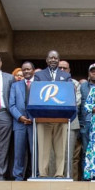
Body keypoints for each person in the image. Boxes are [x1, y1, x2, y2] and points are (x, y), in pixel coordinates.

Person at [33, 50, 72, 178]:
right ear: (46, 60)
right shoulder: (39, 75)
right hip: (43, 118)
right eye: (51, 58)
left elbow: (69, 95)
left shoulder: (65, 76)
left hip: (61, 118)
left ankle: (59, 173)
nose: (53, 60)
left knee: (60, 149)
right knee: (43, 149)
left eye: (56, 58)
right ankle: (43, 174)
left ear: (59, 60)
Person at [9, 62, 35, 181]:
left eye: (28, 69)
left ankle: (35, 174)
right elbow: (12, 105)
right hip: (19, 123)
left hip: (34, 123)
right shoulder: (15, 85)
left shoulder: (38, 85)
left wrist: (33, 118)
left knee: (34, 151)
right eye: (24, 70)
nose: (26, 72)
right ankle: (18, 176)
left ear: (33, 71)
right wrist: (20, 117)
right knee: (18, 152)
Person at [58, 60, 81, 181]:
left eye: (64, 68)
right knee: (54, 154)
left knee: (69, 154)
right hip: (53, 122)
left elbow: (76, 102)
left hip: (71, 122)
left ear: (69, 70)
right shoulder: (51, 83)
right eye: (60, 68)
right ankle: (53, 178)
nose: (62, 70)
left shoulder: (75, 83)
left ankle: (68, 180)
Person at [79, 64, 95, 176]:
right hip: (85, 123)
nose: (94, 73)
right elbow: (79, 105)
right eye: (92, 71)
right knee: (85, 151)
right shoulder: (82, 86)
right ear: (88, 73)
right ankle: (86, 177)